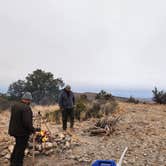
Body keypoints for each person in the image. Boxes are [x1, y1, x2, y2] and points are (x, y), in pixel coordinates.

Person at [8, 92, 35, 166]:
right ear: (27, 100)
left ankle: (12, 161)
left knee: (17, 146)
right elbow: (27, 122)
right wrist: (33, 130)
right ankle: (17, 163)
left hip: (14, 131)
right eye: (30, 100)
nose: (30, 102)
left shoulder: (15, 106)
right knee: (20, 149)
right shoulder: (26, 108)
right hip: (22, 133)